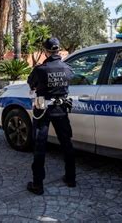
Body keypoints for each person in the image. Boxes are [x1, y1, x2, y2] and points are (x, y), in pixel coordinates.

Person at [26, 37, 76, 195]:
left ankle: (38, 184)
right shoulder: (67, 68)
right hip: (61, 108)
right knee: (66, 143)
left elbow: (31, 83)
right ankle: (70, 178)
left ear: (46, 51)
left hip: (42, 109)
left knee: (40, 146)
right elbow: (70, 80)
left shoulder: (40, 69)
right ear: (59, 50)